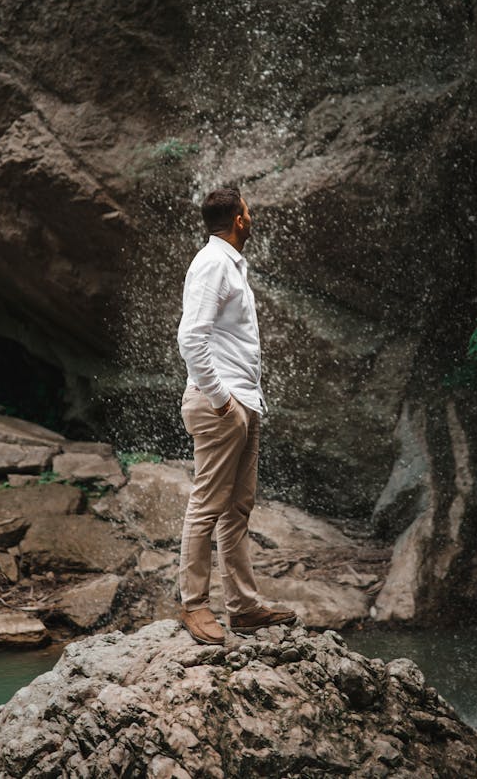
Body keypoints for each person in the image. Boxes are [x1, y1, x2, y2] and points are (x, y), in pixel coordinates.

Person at [176, 186, 297, 644]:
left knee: (237, 508)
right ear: (239, 219)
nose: (252, 214)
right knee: (206, 506)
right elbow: (191, 338)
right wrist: (223, 401)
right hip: (220, 404)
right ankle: (194, 606)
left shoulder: (229, 264)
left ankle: (243, 607)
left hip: (244, 401)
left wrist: (240, 403)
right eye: (248, 209)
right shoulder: (211, 264)